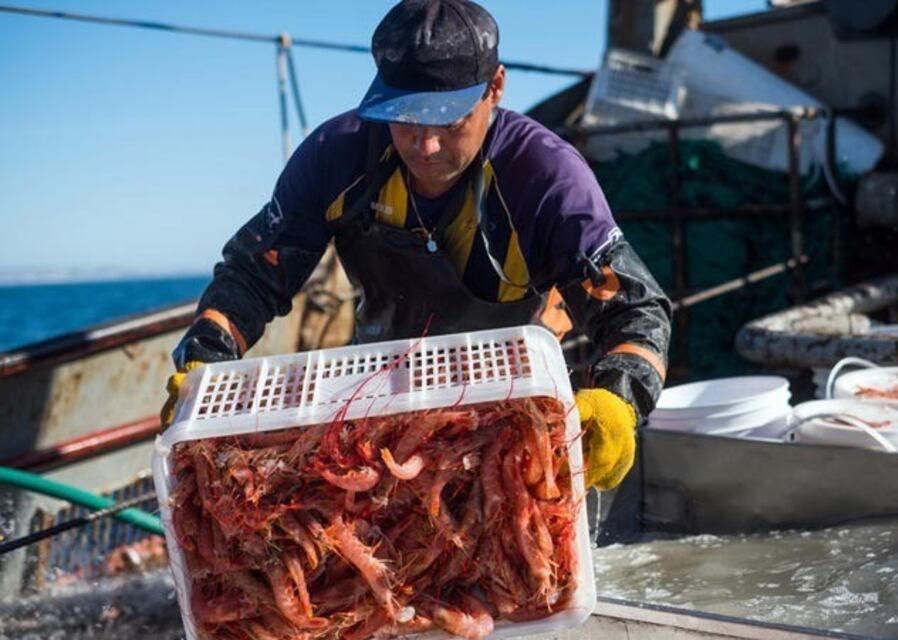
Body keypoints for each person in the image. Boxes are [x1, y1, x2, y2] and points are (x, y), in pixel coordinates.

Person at [161, 0, 671, 491]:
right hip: (371, 404)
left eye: (449, 123)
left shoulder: (545, 177)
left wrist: (618, 402)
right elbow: (254, 274)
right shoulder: (335, 156)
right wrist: (205, 359)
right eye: (404, 119)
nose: (425, 147)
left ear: (495, 87)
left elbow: (636, 311)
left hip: (511, 420)